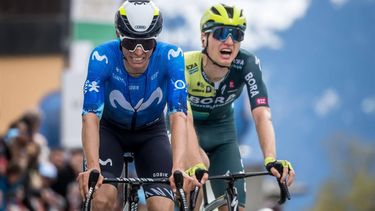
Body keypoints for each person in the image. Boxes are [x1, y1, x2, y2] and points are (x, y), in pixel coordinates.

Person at [76, 1, 199, 210]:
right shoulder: (102, 56)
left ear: (156, 39)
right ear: (118, 35)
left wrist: (178, 167)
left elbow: (178, 114)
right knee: (101, 199)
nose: (139, 51)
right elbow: (90, 115)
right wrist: (93, 166)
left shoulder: (171, 57)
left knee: (162, 207)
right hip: (110, 131)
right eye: (131, 43)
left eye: (147, 43)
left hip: (151, 133)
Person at [184, 4, 295, 210]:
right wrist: (196, 161)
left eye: (236, 34)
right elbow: (184, 118)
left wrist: (270, 158)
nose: (229, 41)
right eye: (221, 33)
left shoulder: (247, 63)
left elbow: (262, 114)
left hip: (223, 136)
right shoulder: (185, 65)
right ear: (203, 38)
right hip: (186, 130)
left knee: (235, 207)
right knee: (195, 184)